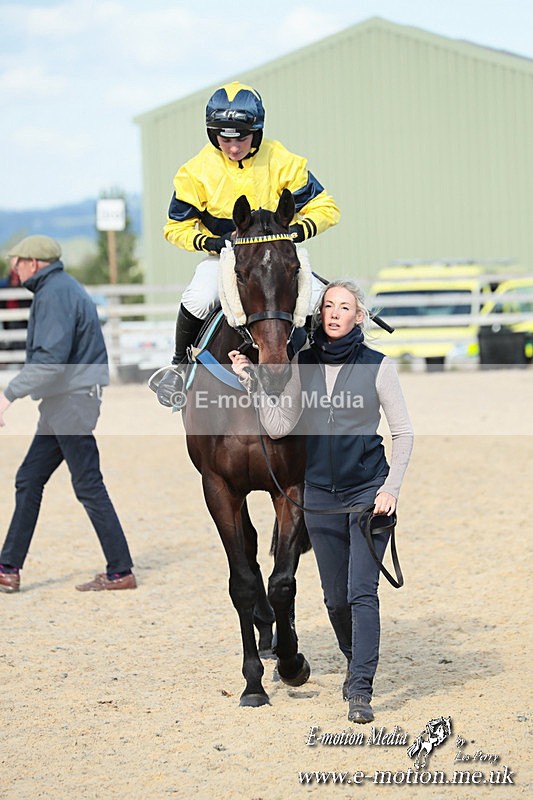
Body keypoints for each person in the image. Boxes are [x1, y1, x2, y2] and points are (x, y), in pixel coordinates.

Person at [229, 279, 414, 723]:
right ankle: (354, 662)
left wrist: (390, 488)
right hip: (320, 498)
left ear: (359, 316)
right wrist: (252, 381)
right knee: (335, 600)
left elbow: (403, 432)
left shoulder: (377, 366)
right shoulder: (303, 363)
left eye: (344, 307)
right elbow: (279, 425)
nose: (334, 313)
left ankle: (361, 688)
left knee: (361, 592)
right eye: (329, 305)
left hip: (368, 494)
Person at [156, 80, 340, 406]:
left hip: (276, 257)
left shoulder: (283, 161)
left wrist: (297, 232)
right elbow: (175, 227)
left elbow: (326, 208)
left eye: (241, 138)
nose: (233, 148)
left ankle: (330, 372)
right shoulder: (194, 173)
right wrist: (211, 242)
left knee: (317, 301)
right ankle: (179, 368)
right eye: (224, 139)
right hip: (226, 257)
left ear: (257, 132)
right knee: (199, 298)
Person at [0, 235, 136, 594]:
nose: (14, 270)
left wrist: (7, 396)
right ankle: (7, 568)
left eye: (17, 263)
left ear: (33, 263)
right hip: (64, 402)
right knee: (29, 478)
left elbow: (50, 360)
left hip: (70, 402)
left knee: (87, 483)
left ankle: (120, 571)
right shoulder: (58, 288)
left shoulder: (54, 294)